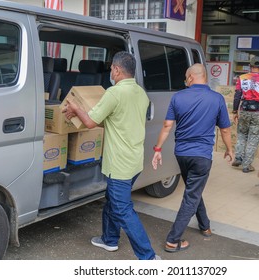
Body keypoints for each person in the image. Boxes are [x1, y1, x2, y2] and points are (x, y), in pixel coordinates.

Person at [63, 51, 160, 260]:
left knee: (123, 209)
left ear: (116, 70)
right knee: (112, 201)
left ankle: (149, 258)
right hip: (134, 160)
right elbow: (115, 119)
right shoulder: (140, 93)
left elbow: (89, 122)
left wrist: (76, 108)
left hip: (120, 164)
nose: (111, 73)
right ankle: (109, 240)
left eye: (111, 70)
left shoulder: (114, 93)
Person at [152, 63, 234, 253]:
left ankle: (205, 225)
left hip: (181, 153)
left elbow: (166, 125)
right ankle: (173, 240)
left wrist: (157, 149)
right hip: (202, 155)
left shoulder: (178, 97)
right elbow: (225, 129)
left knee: (193, 190)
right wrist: (229, 149)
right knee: (192, 194)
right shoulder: (217, 98)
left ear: (190, 78)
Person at [231, 56, 259, 173]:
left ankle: (238, 157)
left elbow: (237, 95)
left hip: (244, 110)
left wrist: (235, 111)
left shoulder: (242, 78)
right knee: (253, 138)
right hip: (258, 112)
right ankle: (246, 165)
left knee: (241, 134)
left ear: (250, 66)